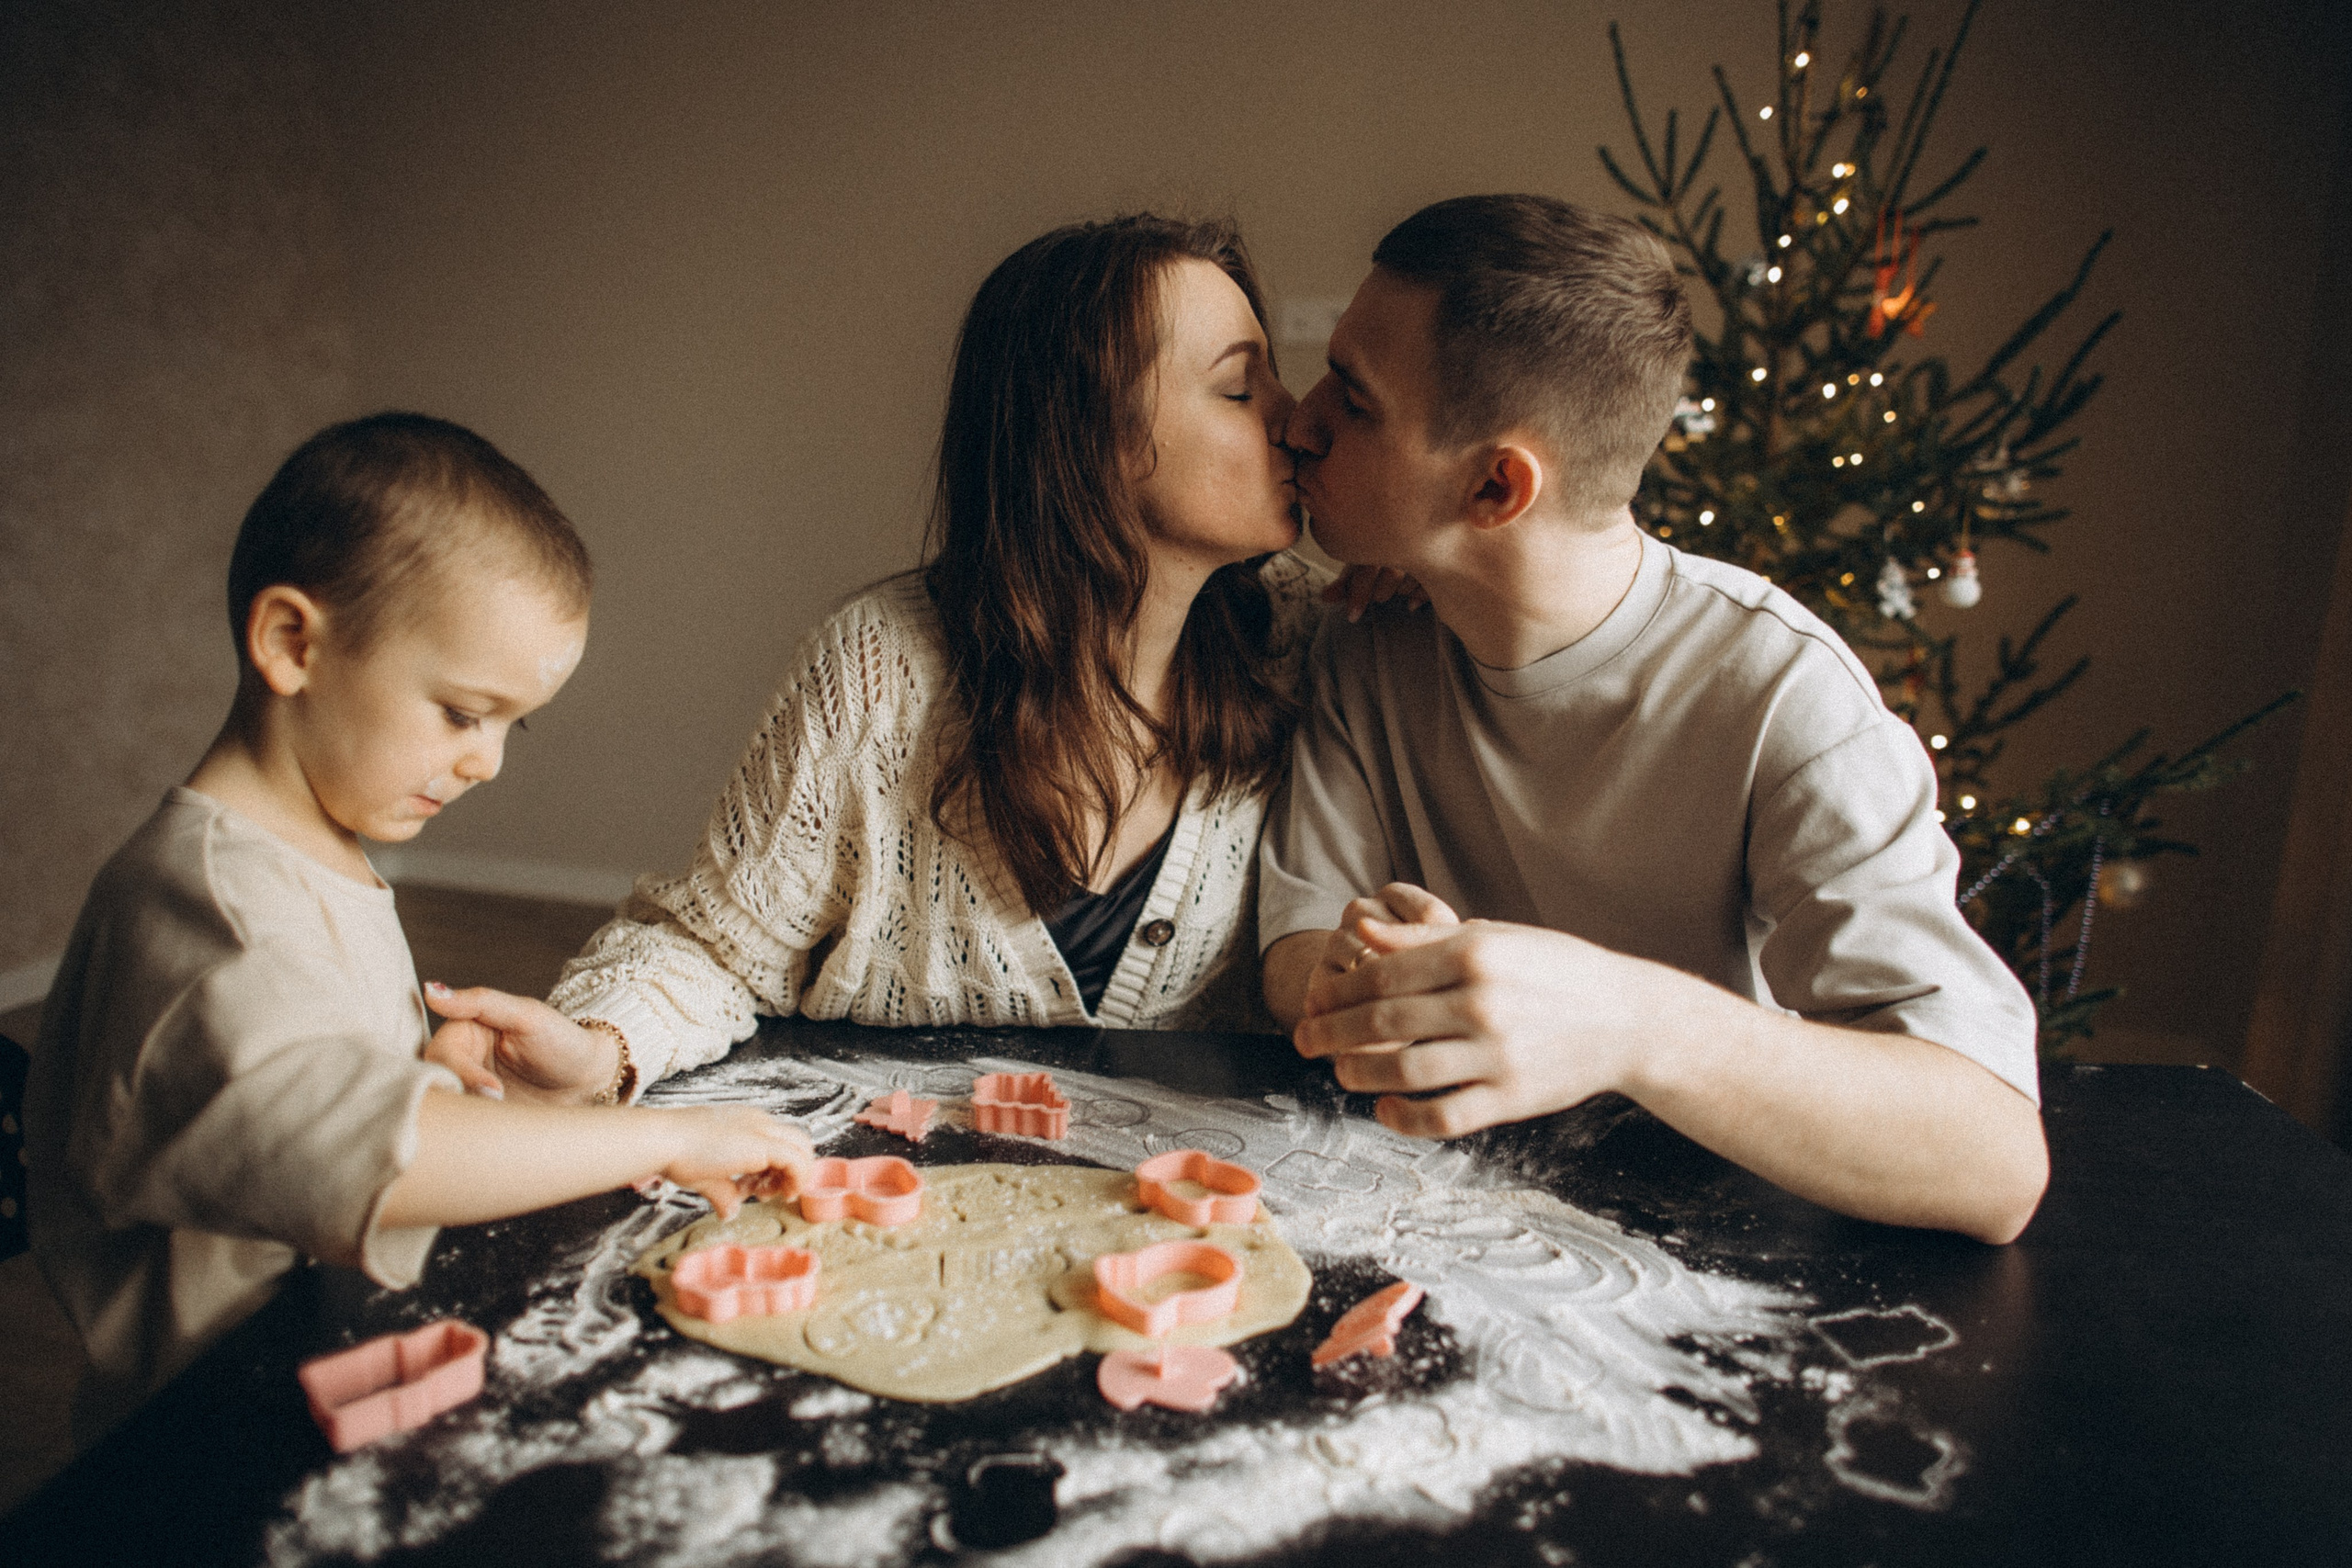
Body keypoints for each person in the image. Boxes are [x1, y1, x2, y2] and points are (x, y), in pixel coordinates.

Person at [1258, 195, 2050, 1245]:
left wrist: (1624, 1022)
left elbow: (1994, 1163)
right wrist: (1373, 981)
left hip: (1709, 1248)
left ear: (1496, 486)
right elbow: (1299, 944)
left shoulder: (1782, 692)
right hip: (1424, 1222)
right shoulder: (1372, 638)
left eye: (1354, 402)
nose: (1298, 421)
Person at [26, 414, 814, 1440]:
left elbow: (294, 1104)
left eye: (507, 725)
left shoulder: (313, 852)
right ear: (292, 644)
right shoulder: (206, 907)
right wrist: (670, 1133)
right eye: (459, 712)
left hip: (322, 1354)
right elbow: (368, 1162)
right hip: (203, 1432)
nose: (488, 762)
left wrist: (422, 1077)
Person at [423, 215, 1318, 1104]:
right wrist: (595, 1049)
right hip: (886, 1198)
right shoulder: (882, 669)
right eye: (1240, 390)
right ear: (1091, 440)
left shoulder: (1311, 644)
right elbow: (714, 947)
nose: (1299, 418)